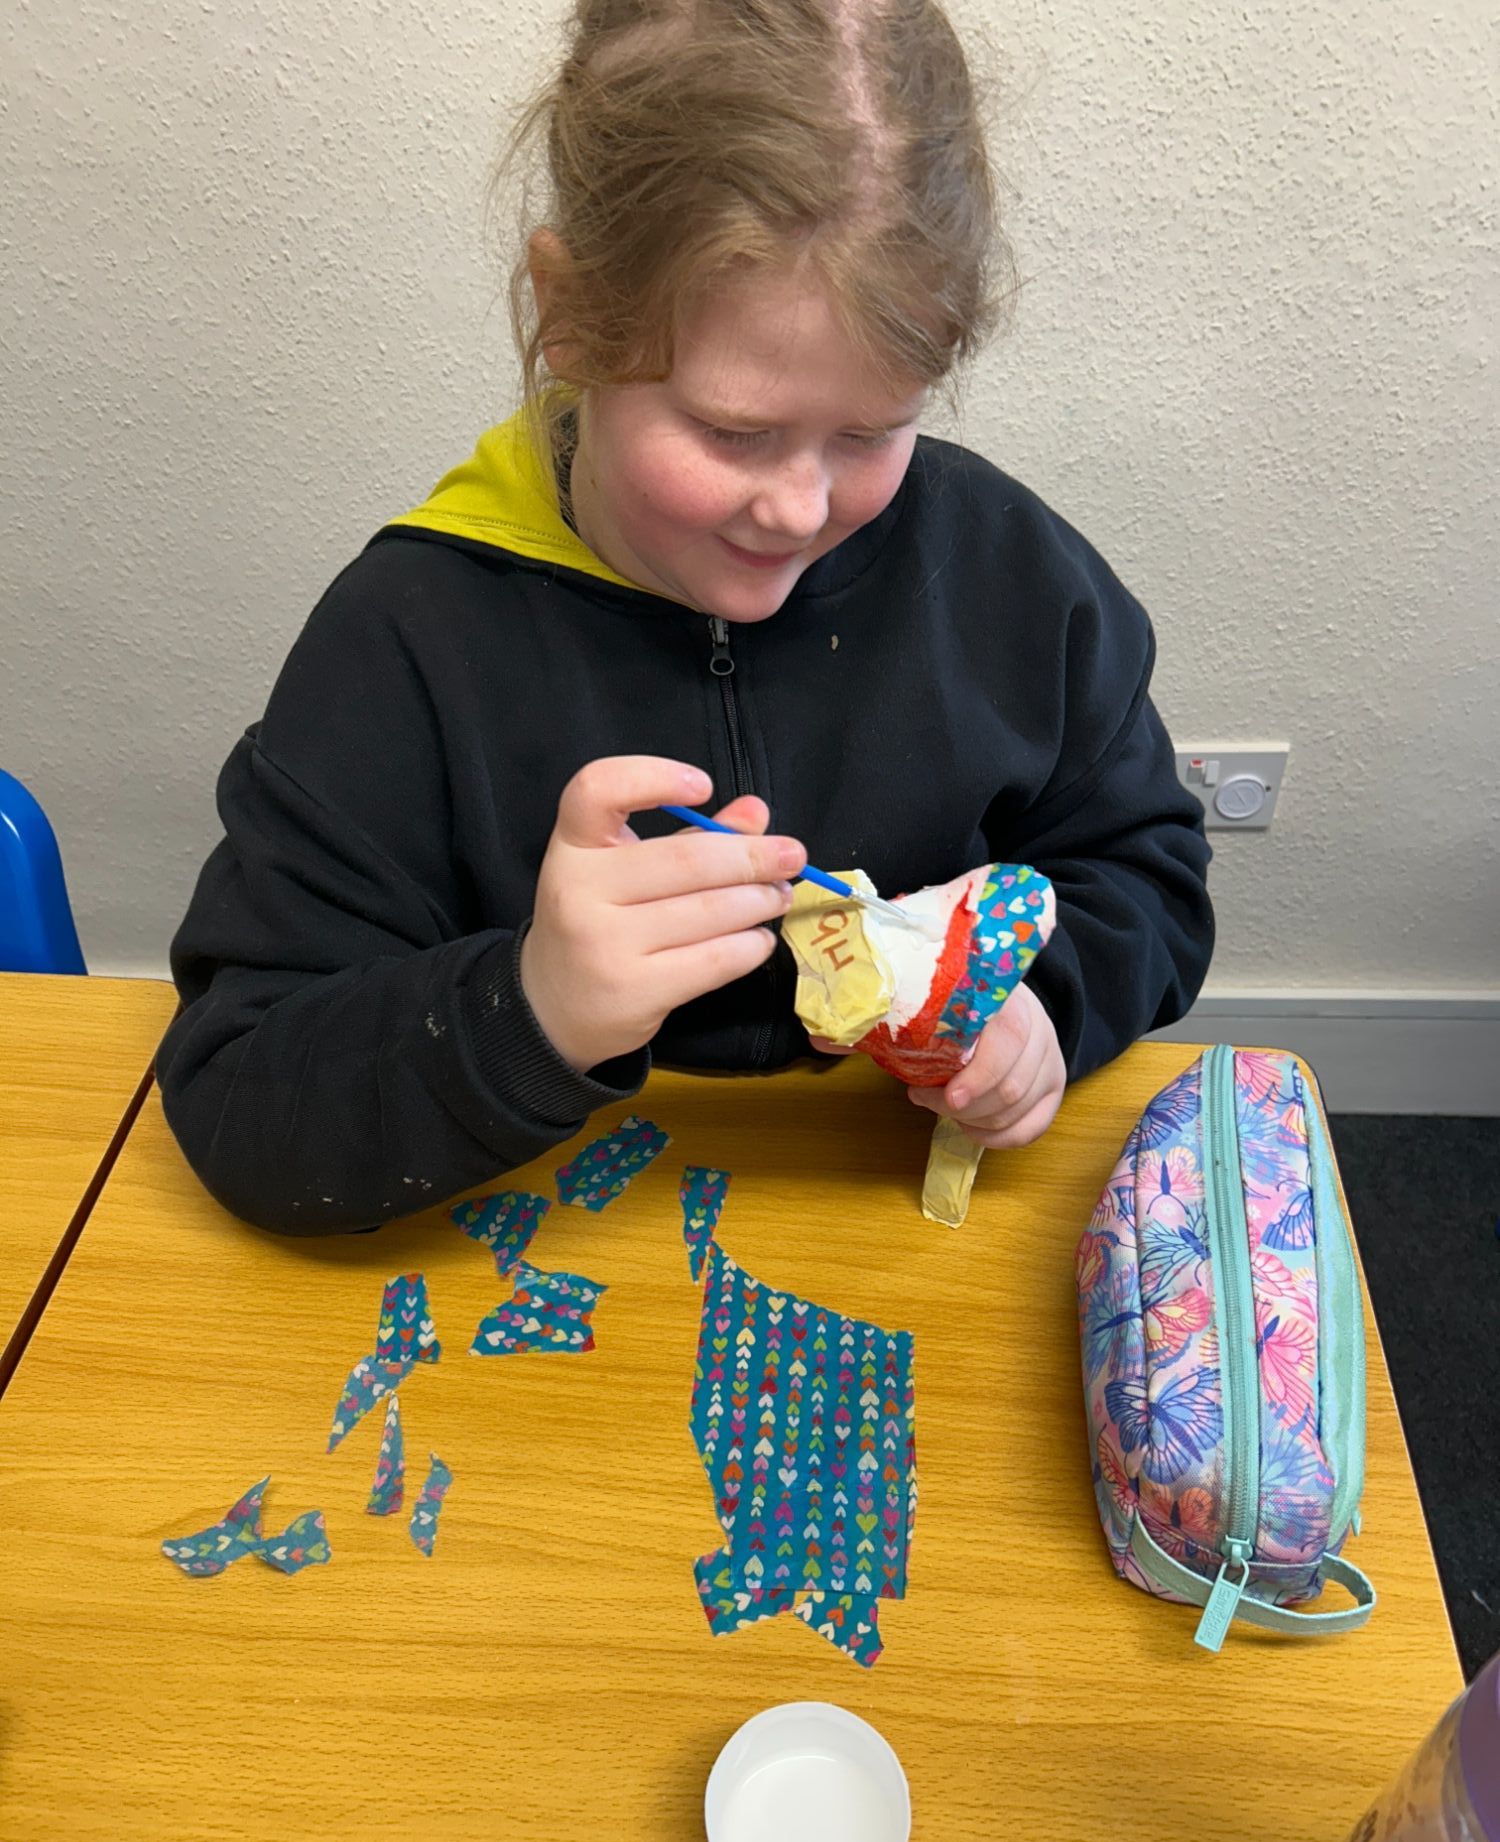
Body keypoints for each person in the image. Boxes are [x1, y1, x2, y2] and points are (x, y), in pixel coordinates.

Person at [158, 0, 1213, 1236]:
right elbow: (242, 1095)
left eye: (873, 430)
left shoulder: (1014, 578)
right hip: (544, 1246)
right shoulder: (409, 641)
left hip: (897, 1230)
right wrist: (532, 1009)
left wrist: (1043, 998)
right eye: (732, 431)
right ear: (570, 314)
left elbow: (1147, 870)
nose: (802, 505)